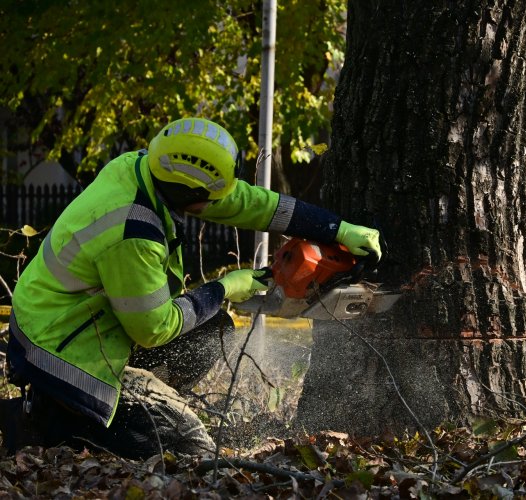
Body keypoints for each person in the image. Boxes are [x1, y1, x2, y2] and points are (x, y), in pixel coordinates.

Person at [1, 117, 380, 458]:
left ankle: (99, 407)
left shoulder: (144, 170)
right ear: (189, 194)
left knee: (210, 333)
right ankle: (56, 420)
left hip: (73, 321)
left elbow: (248, 203)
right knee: (184, 442)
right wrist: (224, 288)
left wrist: (334, 228)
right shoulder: (133, 232)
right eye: (212, 198)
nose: (221, 203)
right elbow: (155, 329)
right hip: (58, 352)